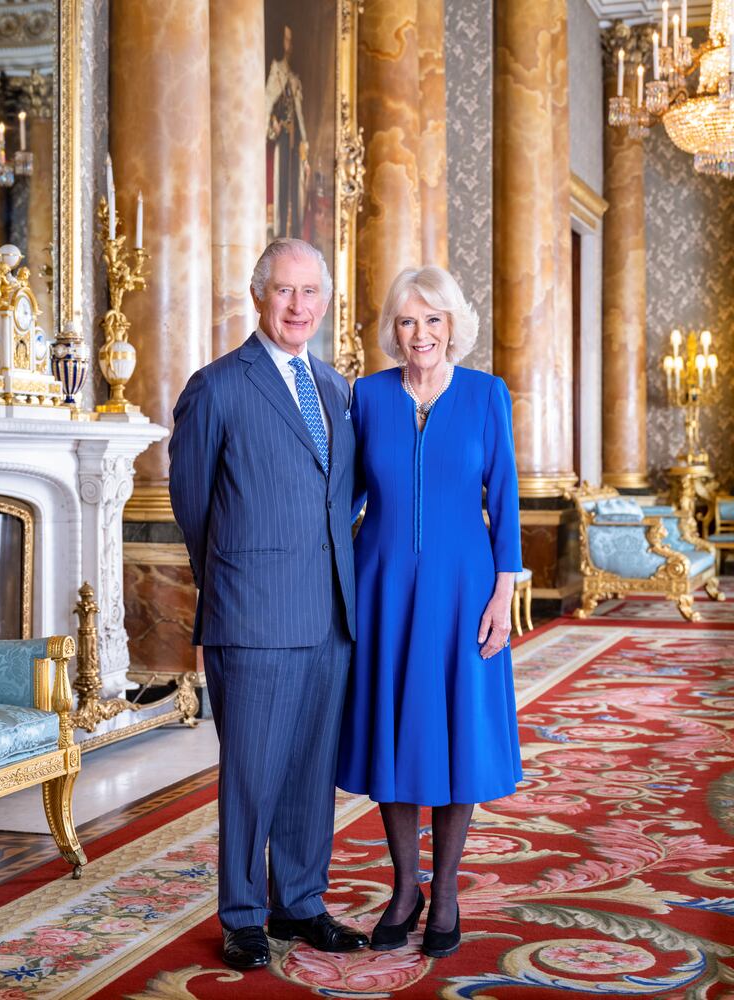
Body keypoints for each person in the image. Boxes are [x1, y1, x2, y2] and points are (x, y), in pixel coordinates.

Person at [169, 239, 368, 971]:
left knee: (313, 771)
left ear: (324, 299)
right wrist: (235, 582)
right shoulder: (217, 386)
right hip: (251, 616)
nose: (297, 306)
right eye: (284, 291)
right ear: (259, 295)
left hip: (330, 616)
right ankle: (245, 916)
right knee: (251, 774)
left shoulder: (335, 387)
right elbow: (193, 508)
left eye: (310, 292)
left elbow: (340, 496)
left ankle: (303, 902)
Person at [336, 266, 523, 960]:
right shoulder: (368, 397)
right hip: (381, 584)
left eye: (434, 320)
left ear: (453, 326)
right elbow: (345, 499)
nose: (422, 335)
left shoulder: (485, 395)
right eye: (409, 322)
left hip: (465, 588)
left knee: (457, 733)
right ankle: (404, 886)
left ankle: (444, 891)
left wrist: (503, 595)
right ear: (395, 329)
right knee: (394, 730)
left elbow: (502, 499)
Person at [266, 24, 309, 239]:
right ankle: (280, 232)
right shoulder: (276, 71)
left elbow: (299, 117)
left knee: (294, 188)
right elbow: (267, 106)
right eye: (286, 39)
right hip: (280, 141)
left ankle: (292, 234)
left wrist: (304, 147)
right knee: (280, 186)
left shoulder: (294, 78)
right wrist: (273, 123)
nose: (289, 45)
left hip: (293, 141)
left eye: (291, 40)